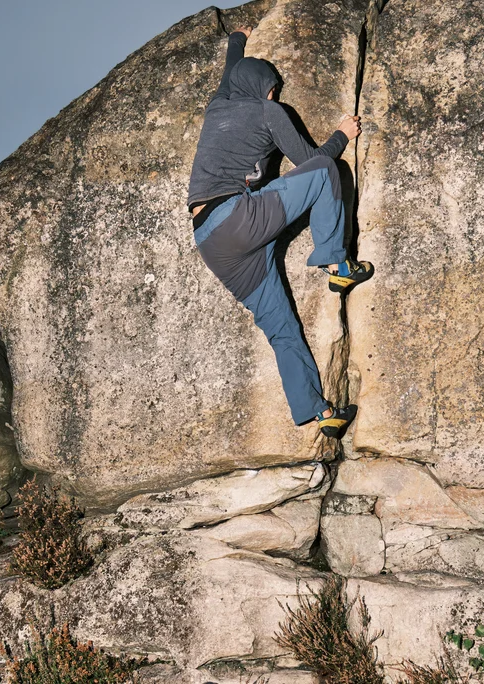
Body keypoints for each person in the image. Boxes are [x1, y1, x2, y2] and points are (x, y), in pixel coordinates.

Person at [186, 25, 374, 438]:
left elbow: (229, 72)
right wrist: (342, 135)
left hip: (210, 242)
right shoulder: (269, 111)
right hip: (237, 215)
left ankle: (320, 412)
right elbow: (312, 161)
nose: (275, 96)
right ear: (266, 89)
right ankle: (337, 263)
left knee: (281, 327)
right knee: (326, 171)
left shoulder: (217, 106)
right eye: (274, 90)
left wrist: (237, 38)